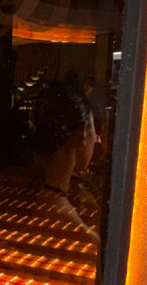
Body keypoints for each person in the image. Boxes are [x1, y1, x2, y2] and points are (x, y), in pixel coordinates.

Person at [27, 79, 100, 244]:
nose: (96, 139)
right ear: (83, 134)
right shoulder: (83, 238)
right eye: (94, 129)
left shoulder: (33, 196)